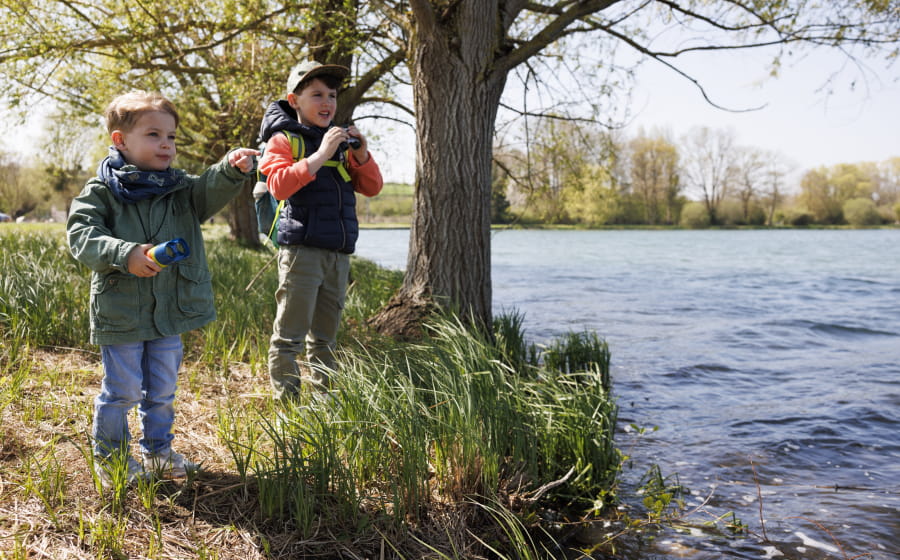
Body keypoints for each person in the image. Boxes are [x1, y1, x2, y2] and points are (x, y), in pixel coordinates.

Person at [67, 90, 259, 487]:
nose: (166, 145)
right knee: (121, 391)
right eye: (154, 135)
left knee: (162, 391)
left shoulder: (181, 189)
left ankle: (158, 451)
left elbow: (210, 189)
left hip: (169, 312)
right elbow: (81, 236)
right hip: (122, 312)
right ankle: (112, 459)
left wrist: (231, 168)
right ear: (121, 140)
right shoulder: (100, 191)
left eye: (171, 137)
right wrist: (126, 253)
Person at [258, 60, 383, 401]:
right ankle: (288, 406)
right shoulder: (284, 140)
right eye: (316, 95)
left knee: (325, 339)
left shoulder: (340, 144)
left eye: (332, 94)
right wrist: (322, 153)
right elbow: (279, 186)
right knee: (289, 337)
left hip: (337, 255)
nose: (327, 102)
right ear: (294, 100)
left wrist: (361, 153)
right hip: (302, 252)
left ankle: (324, 406)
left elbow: (372, 188)